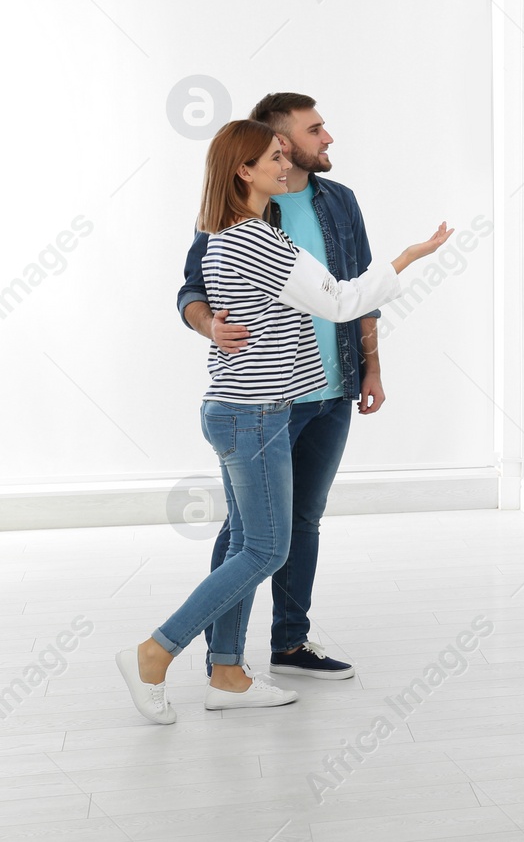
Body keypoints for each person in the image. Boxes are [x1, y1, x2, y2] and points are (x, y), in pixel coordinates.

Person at [117, 119, 451, 723]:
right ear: (245, 171)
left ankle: (226, 675)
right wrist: (409, 256)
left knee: (248, 543)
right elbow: (344, 302)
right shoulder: (254, 239)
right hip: (256, 417)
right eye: (275, 156)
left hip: (239, 412)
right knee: (268, 549)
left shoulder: (229, 233)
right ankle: (153, 652)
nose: (285, 163)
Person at [177, 92, 378, 682]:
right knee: (249, 536)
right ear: (279, 143)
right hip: (264, 396)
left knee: (304, 522)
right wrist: (209, 323)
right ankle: (223, 658)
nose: (328, 139)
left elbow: (359, 292)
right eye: (316, 130)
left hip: (330, 386)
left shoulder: (339, 202)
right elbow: (192, 289)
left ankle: (290, 642)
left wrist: (372, 367)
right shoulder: (239, 213)